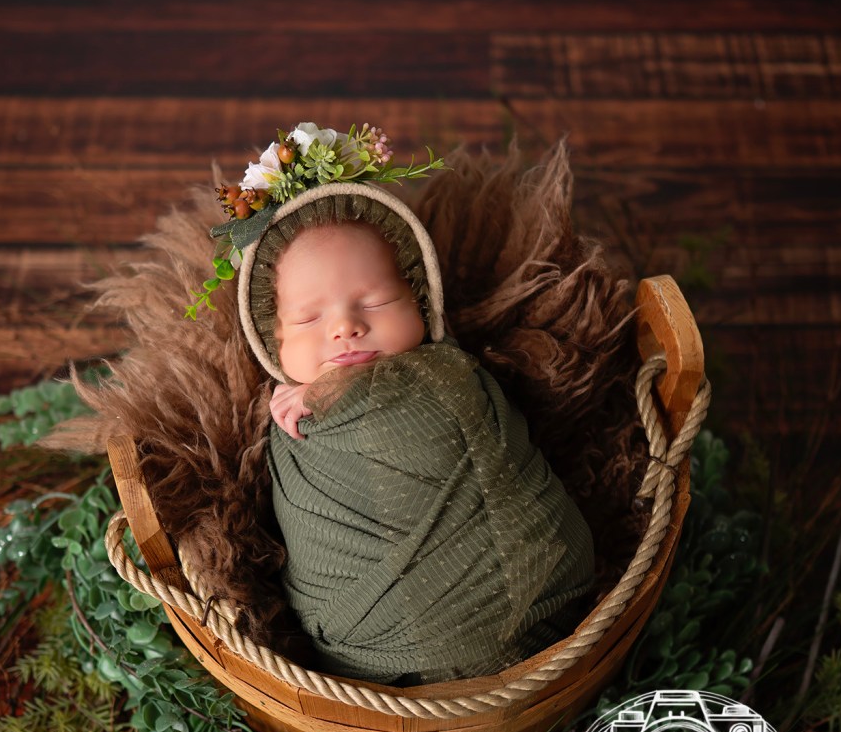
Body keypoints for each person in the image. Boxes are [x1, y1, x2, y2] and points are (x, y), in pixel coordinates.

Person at [235, 182, 596, 686]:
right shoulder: (286, 423)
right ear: (273, 344)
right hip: (377, 644)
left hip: (537, 594)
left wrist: (332, 391)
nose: (345, 327)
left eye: (378, 302)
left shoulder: (450, 373)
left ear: (422, 304)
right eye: (310, 318)